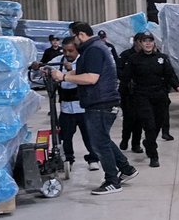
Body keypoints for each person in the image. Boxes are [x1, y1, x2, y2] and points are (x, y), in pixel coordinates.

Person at [49, 21, 137, 194]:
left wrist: (65, 78)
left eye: (74, 37)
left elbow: (91, 78)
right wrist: (61, 74)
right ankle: (127, 169)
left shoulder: (94, 50)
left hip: (101, 102)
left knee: (99, 143)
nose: (72, 42)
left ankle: (112, 181)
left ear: (80, 35)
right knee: (102, 139)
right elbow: (83, 71)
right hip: (98, 101)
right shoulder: (92, 49)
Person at [123, 31, 179, 168]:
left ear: (154, 43)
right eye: (145, 41)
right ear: (140, 43)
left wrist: (177, 86)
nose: (148, 43)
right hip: (142, 95)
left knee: (157, 125)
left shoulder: (162, 58)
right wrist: (123, 97)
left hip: (159, 95)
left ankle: (148, 142)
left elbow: (169, 74)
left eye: (150, 40)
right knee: (149, 126)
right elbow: (126, 79)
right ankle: (153, 155)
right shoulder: (134, 59)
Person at [53, 37, 97, 170]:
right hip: (66, 108)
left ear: (77, 50)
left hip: (83, 107)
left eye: (70, 51)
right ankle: (68, 158)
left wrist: (71, 69)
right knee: (65, 136)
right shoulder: (58, 61)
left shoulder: (84, 62)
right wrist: (39, 66)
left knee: (88, 135)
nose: (67, 54)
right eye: (65, 51)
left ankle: (93, 158)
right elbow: (46, 67)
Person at [117, 36, 143, 153]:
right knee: (128, 118)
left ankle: (136, 144)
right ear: (137, 42)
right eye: (142, 41)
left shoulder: (145, 56)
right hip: (127, 92)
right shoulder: (126, 54)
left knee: (139, 119)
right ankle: (125, 140)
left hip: (141, 92)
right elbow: (119, 70)